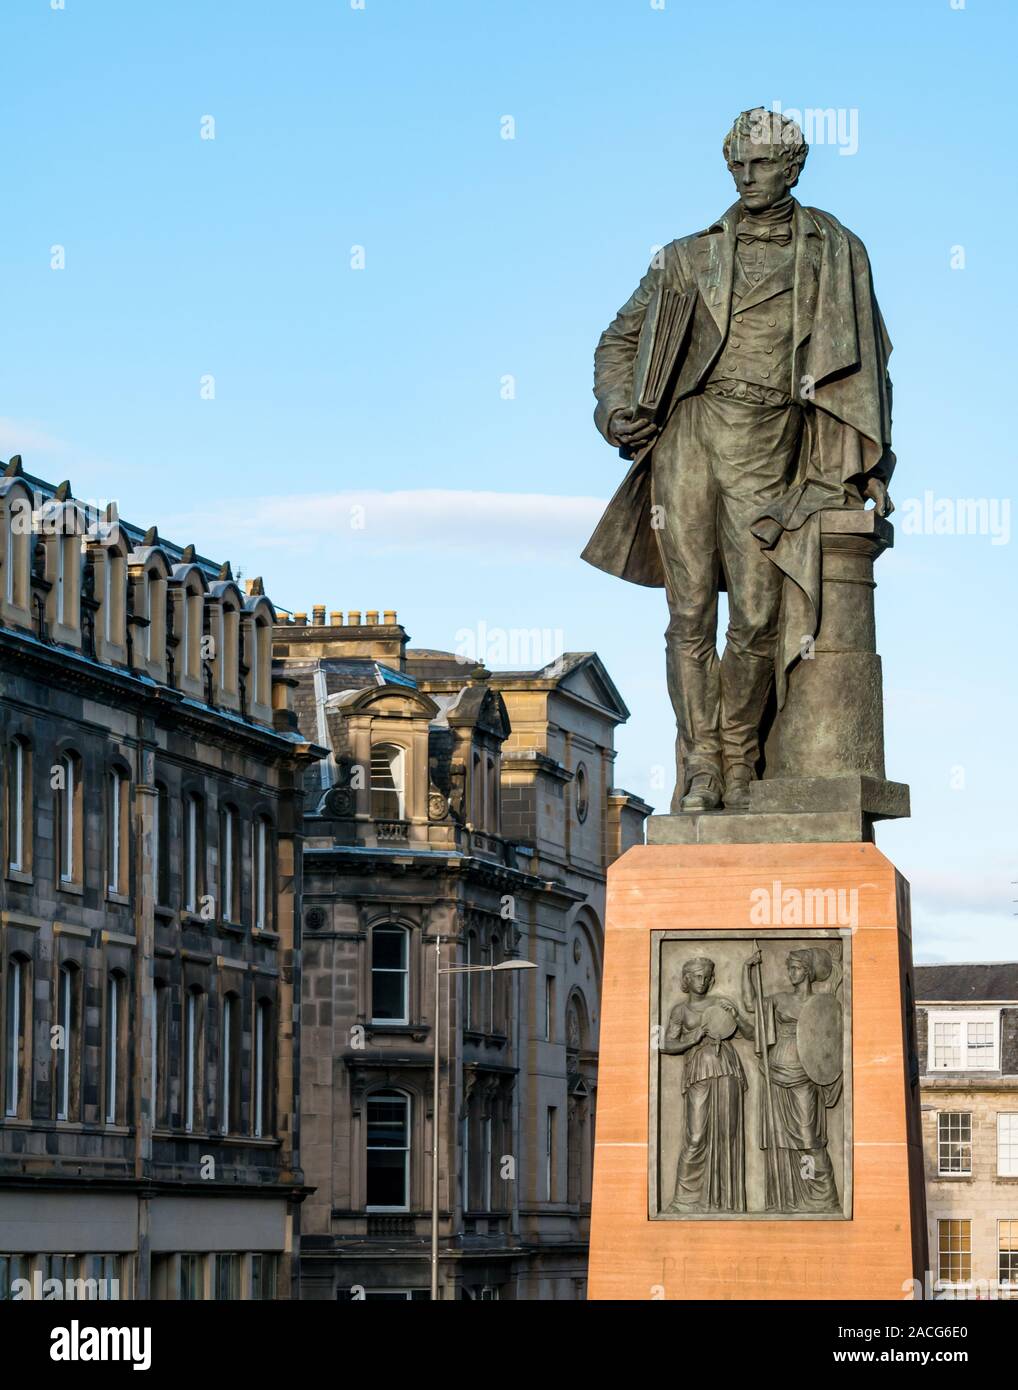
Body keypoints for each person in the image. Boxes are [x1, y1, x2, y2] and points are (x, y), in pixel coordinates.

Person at [584, 108, 895, 814]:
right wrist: (615, 408)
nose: (745, 177)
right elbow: (616, 341)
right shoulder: (688, 255)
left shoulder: (833, 251)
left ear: (792, 167)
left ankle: (737, 753)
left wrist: (869, 462)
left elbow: (871, 362)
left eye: (758, 164)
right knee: (688, 613)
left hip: (772, 436)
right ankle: (702, 768)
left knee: (756, 615)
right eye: (736, 165)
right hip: (689, 434)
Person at [742, 945, 841, 1213]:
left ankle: (823, 1196)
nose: (790, 973)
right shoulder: (778, 999)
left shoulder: (821, 1003)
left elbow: (831, 1041)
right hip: (775, 1071)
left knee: (808, 1138)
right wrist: (747, 969)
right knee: (781, 1140)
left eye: (795, 968)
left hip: (805, 1072)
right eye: (789, 968)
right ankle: (789, 1200)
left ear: (807, 972)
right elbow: (751, 1005)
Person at [661, 955, 754, 1212]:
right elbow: (666, 1045)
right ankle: (684, 1201)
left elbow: (751, 1034)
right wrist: (695, 1037)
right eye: (696, 976)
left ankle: (726, 1202)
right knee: (696, 1136)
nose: (701, 982)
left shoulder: (722, 1003)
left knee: (728, 1134)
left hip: (727, 1068)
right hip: (699, 1070)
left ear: (711, 979)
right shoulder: (680, 1010)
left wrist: (738, 1017)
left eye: (705, 977)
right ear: (686, 980)